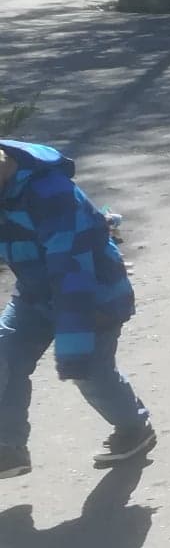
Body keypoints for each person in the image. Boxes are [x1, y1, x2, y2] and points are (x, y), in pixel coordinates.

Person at [0, 139, 154, 477]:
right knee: (4, 354)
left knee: (91, 373)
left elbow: (72, 271)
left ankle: (134, 427)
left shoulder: (49, 193)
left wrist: (73, 347)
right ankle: (8, 447)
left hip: (92, 295)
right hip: (35, 294)